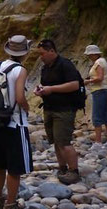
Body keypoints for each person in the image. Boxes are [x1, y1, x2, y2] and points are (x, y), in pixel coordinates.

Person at [0, 35, 34, 209]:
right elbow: (19, 97)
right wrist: (27, 108)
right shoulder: (21, 70)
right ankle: (11, 206)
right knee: (15, 169)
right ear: (24, 52)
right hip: (15, 123)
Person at [34, 39, 83, 185]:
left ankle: (74, 171)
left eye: (42, 54)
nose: (41, 57)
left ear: (52, 51)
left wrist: (51, 89)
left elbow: (74, 85)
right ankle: (62, 168)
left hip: (64, 109)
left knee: (64, 142)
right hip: (49, 108)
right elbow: (46, 85)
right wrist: (41, 90)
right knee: (56, 141)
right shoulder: (46, 68)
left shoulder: (65, 65)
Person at [83, 44, 107, 143]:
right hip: (105, 90)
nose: (89, 57)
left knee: (97, 117)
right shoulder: (102, 61)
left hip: (99, 90)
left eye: (90, 55)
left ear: (95, 54)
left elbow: (100, 78)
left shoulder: (99, 62)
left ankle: (98, 142)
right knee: (106, 116)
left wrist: (88, 81)